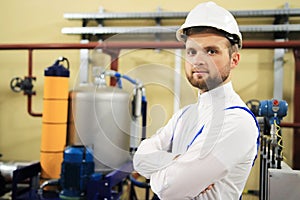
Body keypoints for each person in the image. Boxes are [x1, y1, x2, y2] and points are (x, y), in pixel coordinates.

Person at [133, 1, 259, 199]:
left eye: (211, 51)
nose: (198, 60)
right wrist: (175, 161)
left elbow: (169, 190)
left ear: (234, 60)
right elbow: (140, 158)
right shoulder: (185, 115)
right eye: (192, 51)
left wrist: (159, 174)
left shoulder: (236, 121)